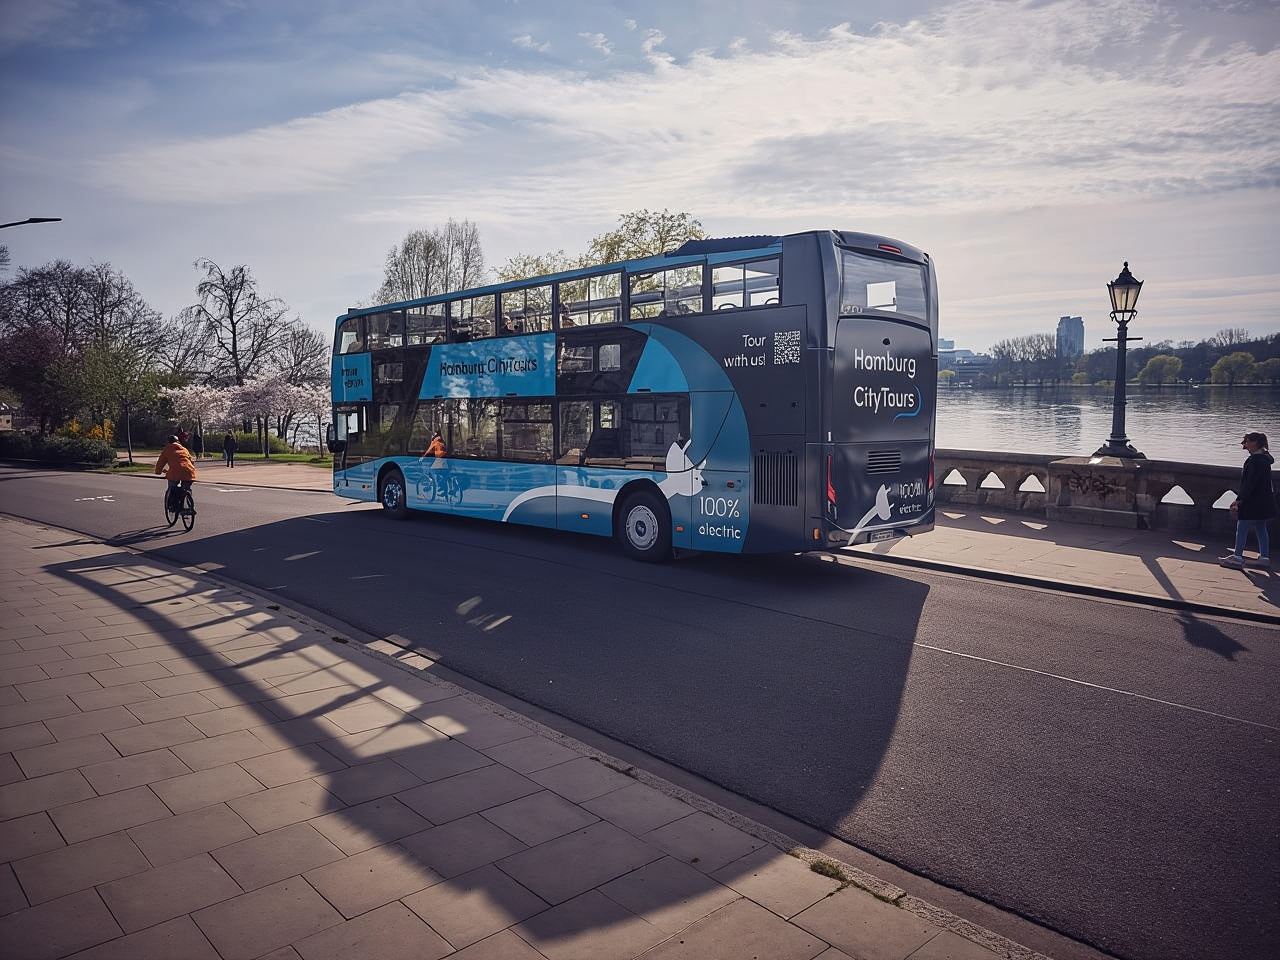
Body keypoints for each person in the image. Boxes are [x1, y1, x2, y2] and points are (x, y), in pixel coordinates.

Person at [1221, 431, 1275, 569]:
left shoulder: (1254, 461)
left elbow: (1249, 484)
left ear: (1254, 443)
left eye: (1246, 441)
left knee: (1242, 526)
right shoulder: (1265, 459)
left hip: (1252, 501)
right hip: (1265, 500)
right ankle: (1264, 557)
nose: (1244, 444)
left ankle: (1237, 557)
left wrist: (1239, 500)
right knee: (1261, 527)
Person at [155, 435, 198, 515]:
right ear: (178, 442)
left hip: (175, 472)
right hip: (189, 472)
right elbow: (191, 461)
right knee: (186, 489)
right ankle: (188, 506)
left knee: (172, 488)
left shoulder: (167, 449)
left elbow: (160, 463)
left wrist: (158, 472)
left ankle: (173, 506)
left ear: (168, 442)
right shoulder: (184, 449)